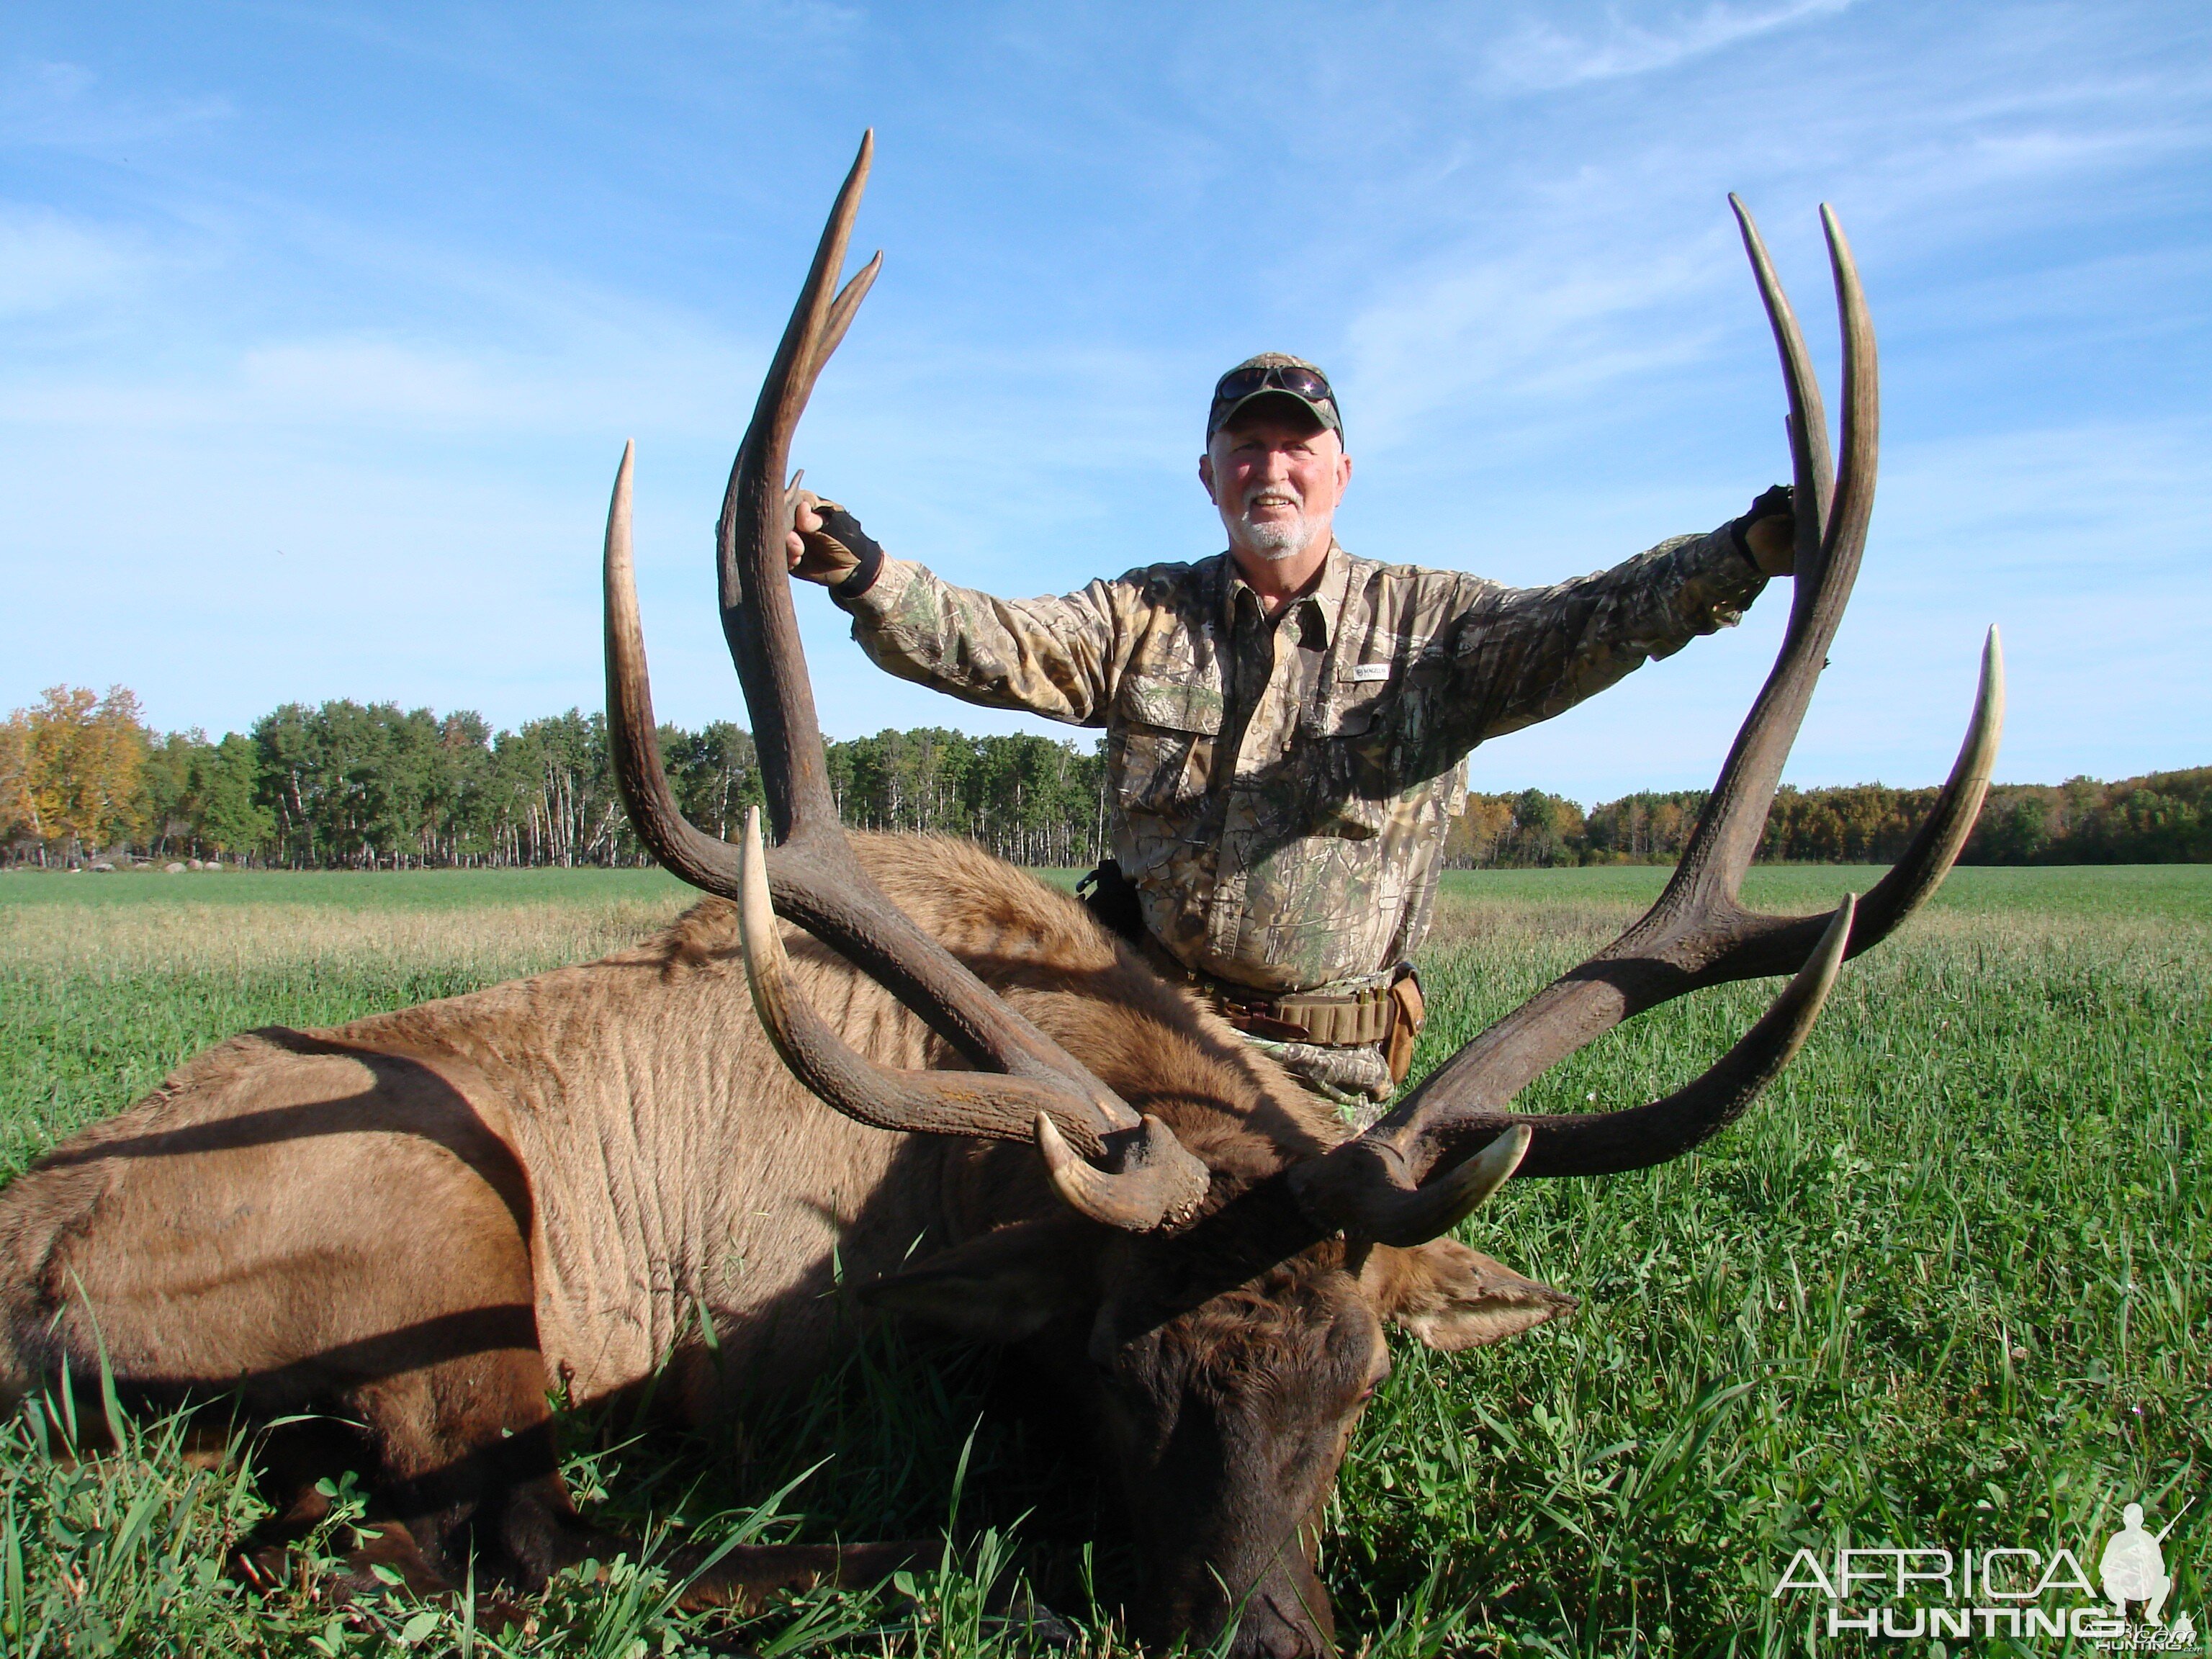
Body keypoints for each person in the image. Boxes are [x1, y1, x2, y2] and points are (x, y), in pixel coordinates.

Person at [786, 353, 1795, 1113]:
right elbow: (1002, 641)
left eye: (1296, 447)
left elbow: (1596, 618)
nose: (1272, 468)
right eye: (1246, 448)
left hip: (1327, 1072)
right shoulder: (1144, 615)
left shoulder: (1432, 629)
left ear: (1340, 472)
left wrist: (1742, 553)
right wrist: (870, 577)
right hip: (1138, 1037)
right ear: (1209, 473)